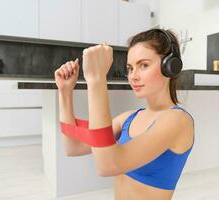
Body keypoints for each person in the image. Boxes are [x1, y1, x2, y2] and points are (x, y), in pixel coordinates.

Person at [54, 29, 194, 200]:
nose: (133, 76)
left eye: (144, 65)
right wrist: (65, 92)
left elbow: (107, 165)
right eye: (130, 68)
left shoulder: (178, 120)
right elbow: (73, 147)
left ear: (170, 66)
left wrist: (97, 79)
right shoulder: (128, 118)